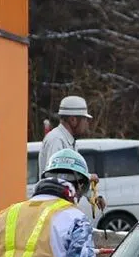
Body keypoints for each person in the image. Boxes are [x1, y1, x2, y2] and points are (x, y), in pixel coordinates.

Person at [38, 94, 104, 222]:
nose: (86, 124)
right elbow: (56, 176)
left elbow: (72, 174)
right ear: (73, 120)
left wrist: (93, 197)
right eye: (84, 120)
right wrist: (88, 177)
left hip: (60, 209)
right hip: (54, 212)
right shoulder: (56, 140)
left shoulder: (68, 141)